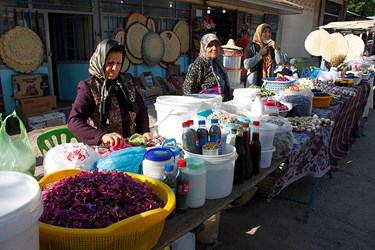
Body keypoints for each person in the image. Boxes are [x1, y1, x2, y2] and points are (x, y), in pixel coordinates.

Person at [68, 39, 152, 147]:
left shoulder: (128, 81)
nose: (115, 68)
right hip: (105, 149)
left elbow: (141, 109)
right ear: (100, 61)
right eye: (110, 63)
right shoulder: (89, 87)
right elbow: (74, 122)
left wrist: (144, 130)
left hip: (131, 145)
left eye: (119, 63)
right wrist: (101, 136)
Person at [182, 33, 232, 101]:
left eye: (216, 45)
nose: (214, 48)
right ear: (204, 47)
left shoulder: (218, 63)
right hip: (205, 105)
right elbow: (188, 89)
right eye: (210, 45)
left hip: (219, 104)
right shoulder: (200, 63)